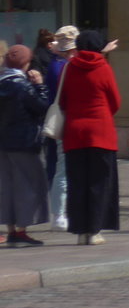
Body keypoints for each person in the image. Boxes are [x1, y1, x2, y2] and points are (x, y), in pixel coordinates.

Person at [59, 30, 121, 246]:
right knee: (100, 183)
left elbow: (63, 101)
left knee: (77, 184)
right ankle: (95, 231)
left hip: (74, 132)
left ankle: (80, 231)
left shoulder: (69, 68)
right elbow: (115, 101)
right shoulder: (103, 67)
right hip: (101, 131)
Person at [0, 45, 50, 247]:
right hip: (24, 142)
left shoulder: (2, 82)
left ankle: (11, 228)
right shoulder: (23, 85)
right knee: (27, 186)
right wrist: (40, 85)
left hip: (2, 143)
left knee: (7, 186)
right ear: (26, 63)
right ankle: (21, 231)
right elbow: (41, 106)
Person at [44, 24, 79, 231]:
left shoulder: (56, 64)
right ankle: (60, 214)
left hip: (66, 119)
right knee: (64, 169)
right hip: (67, 120)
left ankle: (61, 212)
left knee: (62, 168)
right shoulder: (64, 67)